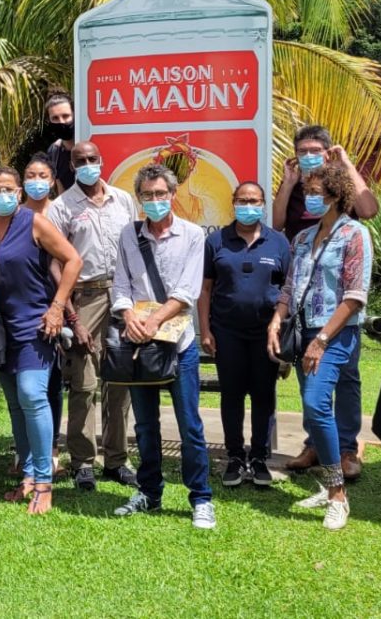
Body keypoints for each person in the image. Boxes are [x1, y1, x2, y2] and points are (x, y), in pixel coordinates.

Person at [267, 164, 372, 531]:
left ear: (336, 195)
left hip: (335, 334)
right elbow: (289, 288)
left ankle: (338, 494)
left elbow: (355, 296)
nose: (311, 199)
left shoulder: (354, 234)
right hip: (302, 332)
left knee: (315, 404)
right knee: (313, 412)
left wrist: (322, 339)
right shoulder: (302, 238)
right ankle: (328, 486)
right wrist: (277, 318)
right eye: (308, 192)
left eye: (317, 193)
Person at [111, 164, 215, 529]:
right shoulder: (129, 234)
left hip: (179, 343)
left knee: (190, 425)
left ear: (173, 194)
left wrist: (155, 321)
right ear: (138, 199)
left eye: (160, 194)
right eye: (147, 195)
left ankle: (200, 498)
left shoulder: (191, 235)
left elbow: (187, 291)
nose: (155, 201)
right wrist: (129, 317)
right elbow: (121, 284)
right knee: (144, 425)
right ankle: (149, 492)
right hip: (139, 343)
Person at [0, 168, 82, 514]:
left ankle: (45, 483)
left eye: (9, 188)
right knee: (16, 404)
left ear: (19, 192)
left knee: (32, 395)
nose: (3, 194)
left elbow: (72, 260)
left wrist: (58, 307)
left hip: (37, 324)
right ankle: (28, 477)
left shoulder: (35, 222)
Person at [47, 141, 138, 491]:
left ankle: (117, 459)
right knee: (84, 384)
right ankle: (83, 461)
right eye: (79, 161)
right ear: (71, 165)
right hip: (83, 296)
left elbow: (133, 248)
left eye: (92, 159)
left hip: (121, 293)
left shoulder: (123, 200)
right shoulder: (61, 207)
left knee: (119, 382)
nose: (87, 164)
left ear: (102, 161)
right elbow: (55, 263)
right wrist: (72, 317)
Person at [198, 182, 290, 487]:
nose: (248, 205)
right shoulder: (216, 241)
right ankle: (235, 457)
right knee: (232, 395)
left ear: (263, 204)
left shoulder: (278, 242)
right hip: (227, 332)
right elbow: (205, 289)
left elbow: (288, 290)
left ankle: (260, 457)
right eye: (242, 200)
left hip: (266, 335)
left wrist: (279, 325)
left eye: (254, 201)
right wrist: (206, 330)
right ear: (233, 203)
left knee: (264, 396)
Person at [21, 154, 65, 478]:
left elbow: (69, 259)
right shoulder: (14, 215)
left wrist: (63, 306)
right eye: (30, 174)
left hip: (62, 301)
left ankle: (51, 451)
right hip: (28, 307)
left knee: (55, 382)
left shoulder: (62, 212)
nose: (36, 180)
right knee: (32, 384)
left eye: (42, 175)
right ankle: (27, 452)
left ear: (52, 180)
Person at [43, 93, 77, 191]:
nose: (61, 122)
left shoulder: (90, 145)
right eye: (55, 118)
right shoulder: (54, 151)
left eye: (66, 116)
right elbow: (61, 190)